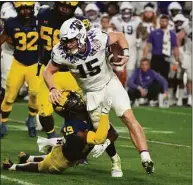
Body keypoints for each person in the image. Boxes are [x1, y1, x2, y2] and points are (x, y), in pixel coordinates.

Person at [43, 18, 154, 174]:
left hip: (110, 83)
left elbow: (119, 36)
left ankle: (145, 157)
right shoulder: (61, 52)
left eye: (71, 41)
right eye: (65, 41)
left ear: (81, 36)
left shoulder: (97, 37)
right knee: (102, 132)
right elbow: (48, 71)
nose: (68, 45)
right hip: (91, 93)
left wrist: (126, 53)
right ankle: (116, 161)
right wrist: (52, 88)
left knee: (128, 116)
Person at [2, 91, 117, 174]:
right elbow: (99, 138)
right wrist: (105, 113)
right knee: (41, 166)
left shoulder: (75, 118)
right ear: (70, 109)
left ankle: (28, 157)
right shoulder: (76, 130)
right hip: (61, 161)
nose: (78, 101)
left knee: (49, 156)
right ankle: (13, 167)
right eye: (73, 102)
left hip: (63, 148)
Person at [37, 1, 84, 138]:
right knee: (44, 111)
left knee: (79, 109)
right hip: (48, 70)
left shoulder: (79, 22)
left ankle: (77, 144)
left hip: (70, 71)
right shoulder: (43, 14)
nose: (65, 9)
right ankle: (53, 140)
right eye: (63, 5)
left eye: (69, 7)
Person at [0, 2, 40, 138]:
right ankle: (3, 122)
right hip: (18, 62)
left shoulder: (40, 22)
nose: (26, 12)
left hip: (35, 63)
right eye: (23, 9)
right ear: (17, 9)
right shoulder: (11, 23)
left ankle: (31, 119)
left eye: (28, 8)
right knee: (10, 95)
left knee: (34, 93)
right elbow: (3, 38)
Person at [111, 2, 141, 84]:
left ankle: (129, 90)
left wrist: (138, 39)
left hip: (132, 49)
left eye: (128, 11)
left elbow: (140, 31)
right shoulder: (116, 20)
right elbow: (111, 31)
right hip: (120, 49)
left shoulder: (137, 20)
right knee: (118, 71)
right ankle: (118, 90)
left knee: (130, 71)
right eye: (124, 11)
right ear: (121, 11)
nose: (126, 13)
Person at [143, 14, 180, 83]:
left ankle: (163, 92)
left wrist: (177, 60)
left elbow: (175, 47)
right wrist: (144, 57)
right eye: (162, 21)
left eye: (165, 21)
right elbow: (147, 46)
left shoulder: (172, 34)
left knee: (165, 76)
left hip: (166, 58)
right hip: (155, 57)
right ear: (159, 22)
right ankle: (154, 92)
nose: (163, 23)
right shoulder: (153, 33)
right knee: (153, 76)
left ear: (168, 22)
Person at [0, 2, 17, 107]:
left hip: (29, 51)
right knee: (5, 84)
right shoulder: (6, 7)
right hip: (8, 50)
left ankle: (35, 116)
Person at [177, 11, 192, 106]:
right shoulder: (186, 25)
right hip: (189, 54)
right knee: (189, 77)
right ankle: (189, 98)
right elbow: (179, 38)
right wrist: (180, 50)